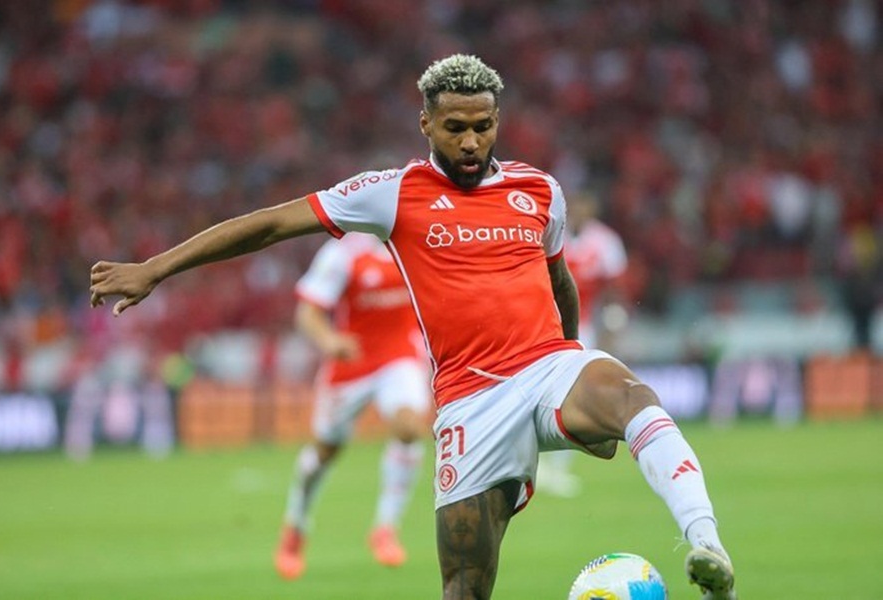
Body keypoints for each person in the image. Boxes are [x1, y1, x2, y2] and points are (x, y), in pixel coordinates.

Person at [89, 54, 736, 600]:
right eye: (455, 128)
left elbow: (558, 280)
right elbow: (271, 224)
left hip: (548, 367)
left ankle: (707, 548)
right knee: (465, 587)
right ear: (425, 122)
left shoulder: (540, 191)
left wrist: (573, 367)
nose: (471, 142)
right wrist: (156, 269)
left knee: (633, 397)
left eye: (483, 126)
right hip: (471, 404)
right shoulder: (393, 192)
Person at [274, 232, 430, 579]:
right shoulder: (343, 253)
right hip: (351, 361)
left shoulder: (416, 240)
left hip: (399, 356)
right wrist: (329, 340)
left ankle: (385, 528)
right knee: (325, 451)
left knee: (409, 428)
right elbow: (308, 312)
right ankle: (296, 526)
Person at [537, 189, 629, 498]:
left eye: (584, 206)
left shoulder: (606, 242)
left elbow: (615, 289)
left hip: (582, 328)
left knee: (573, 396)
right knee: (541, 393)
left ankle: (558, 468)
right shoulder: (550, 232)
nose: (579, 211)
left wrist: (612, 326)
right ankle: (535, 463)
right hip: (541, 325)